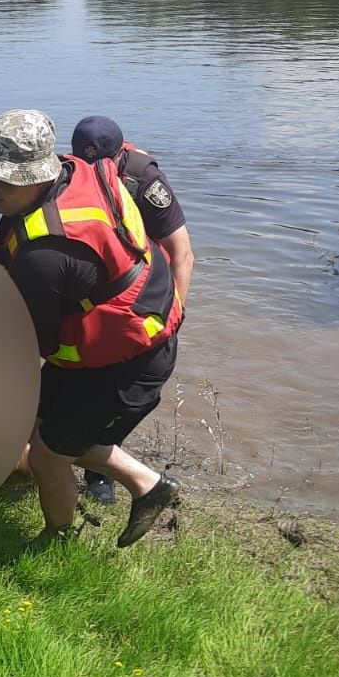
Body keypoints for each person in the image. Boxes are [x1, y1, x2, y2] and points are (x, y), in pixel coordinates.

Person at [0, 110, 182, 548]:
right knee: (39, 423)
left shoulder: (42, 258)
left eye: (3, 179)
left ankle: (56, 539)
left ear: (35, 176)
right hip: (133, 322)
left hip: (129, 359)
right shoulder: (73, 171)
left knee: (48, 452)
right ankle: (146, 486)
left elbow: (33, 347)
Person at [71, 116, 194, 503]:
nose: (94, 172)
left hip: (145, 289)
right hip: (101, 286)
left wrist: (171, 318)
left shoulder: (144, 180)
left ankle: (98, 474)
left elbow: (182, 253)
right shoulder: (72, 174)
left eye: (100, 164)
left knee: (122, 388)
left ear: (118, 155)